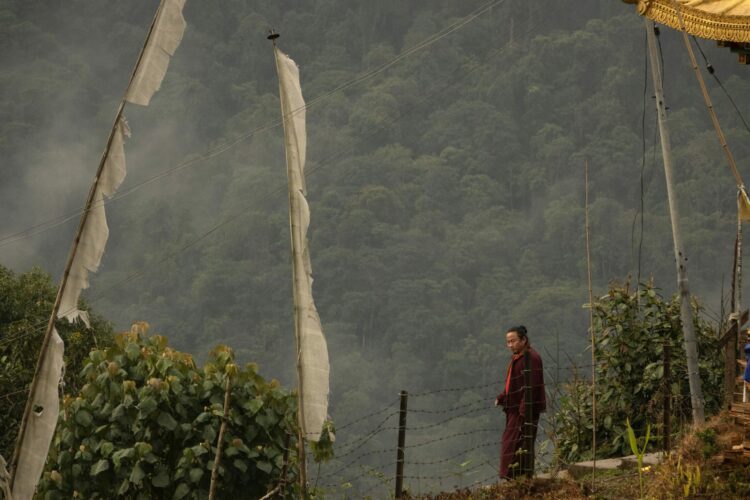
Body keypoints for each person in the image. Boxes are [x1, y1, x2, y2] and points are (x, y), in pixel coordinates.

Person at [494, 325, 546, 479]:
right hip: (514, 409)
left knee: (517, 445)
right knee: (511, 444)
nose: (510, 345)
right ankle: (514, 478)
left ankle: (516, 478)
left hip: (523, 412)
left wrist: (524, 412)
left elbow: (533, 386)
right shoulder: (518, 357)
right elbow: (513, 382)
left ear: (523, 340)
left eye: (513, 341)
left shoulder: (532, 358)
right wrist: (503, 396)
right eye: (508, 342)